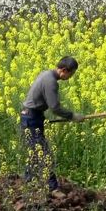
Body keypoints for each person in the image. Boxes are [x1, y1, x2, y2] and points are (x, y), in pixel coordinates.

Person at [20, 56, 84, 191]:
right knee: (44, 153)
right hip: (31, 117)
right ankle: (52, 188)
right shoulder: (51, 82)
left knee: (34, 152)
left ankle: (28, 183)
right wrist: (72, 116)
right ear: (64, 71)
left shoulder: (46, 74)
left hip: (31, 115)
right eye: (71, 74)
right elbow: (55, 107)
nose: (71, 77)